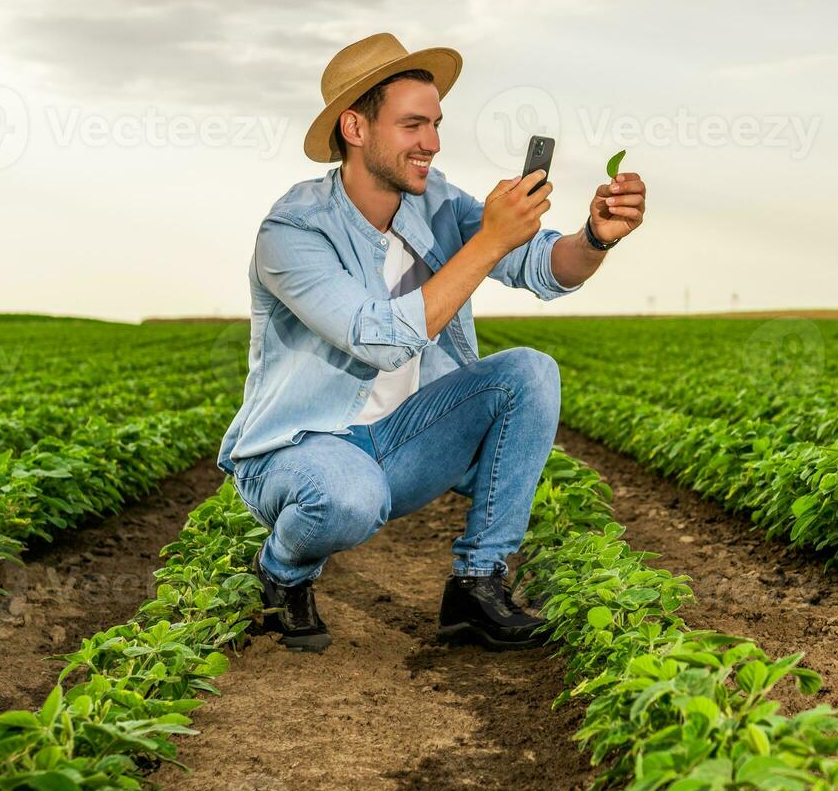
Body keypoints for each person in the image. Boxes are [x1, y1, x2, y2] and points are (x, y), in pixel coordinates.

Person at [216, 33, 648, 653]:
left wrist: (596, 237)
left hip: (398, 443)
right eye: (413, 125)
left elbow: (544, 266)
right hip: (299, 451)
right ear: (355, 128)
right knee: (348, 496)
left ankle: (477, 586)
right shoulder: (293, 230)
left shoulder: (435, 199)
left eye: (437, 124)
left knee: (529, 371)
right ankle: (281, 571)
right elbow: (379, 340)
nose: (433, 143)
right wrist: (486, 242)